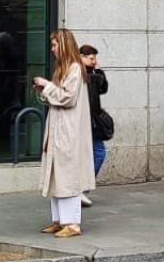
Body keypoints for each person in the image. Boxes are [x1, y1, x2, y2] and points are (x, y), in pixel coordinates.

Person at [35, 28, 94, 238]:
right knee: (57, 173)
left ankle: (72, 223)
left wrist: (47, 86)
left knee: (68, 174)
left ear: (64, 44)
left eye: (54, 45)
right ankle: (60, 220)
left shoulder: (75, 68)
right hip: (60, 127)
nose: (52, 49)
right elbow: (59, 96)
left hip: (68, 129)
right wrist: (46, 89)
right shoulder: (64, 68)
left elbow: (67, 98)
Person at [79, 44, 111, 208]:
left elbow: (103, 88)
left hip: (91, 122)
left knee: (95, 153)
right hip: (88, 122)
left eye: (95, 58)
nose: (94, 61)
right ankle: (81, 189)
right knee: (98, 153)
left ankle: (81, 189)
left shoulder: (90, 73)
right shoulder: (82, 74)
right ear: (82, 57)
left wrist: (98, 70)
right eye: (91, 58)